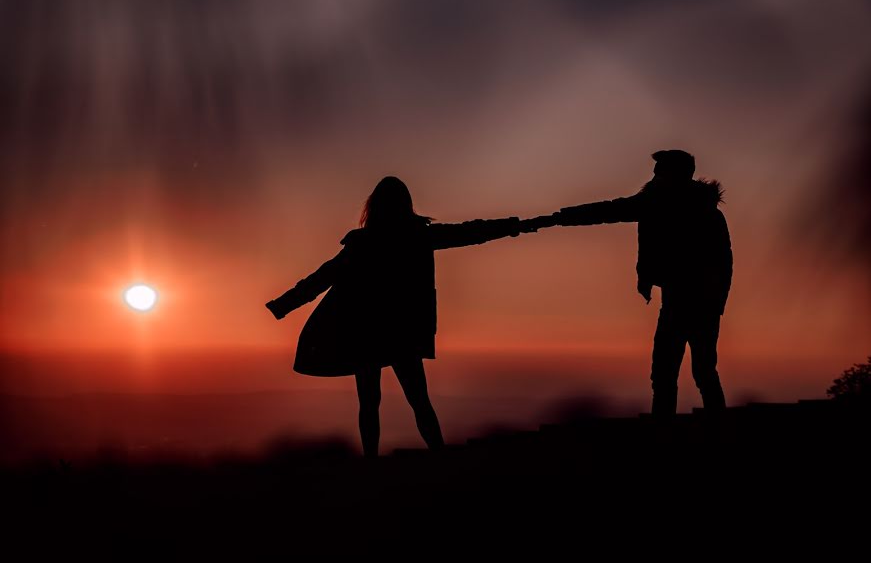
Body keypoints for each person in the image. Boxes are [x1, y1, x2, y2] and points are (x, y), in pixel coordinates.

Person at [265, 176, 522, 457]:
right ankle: (437, 455)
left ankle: (373, 463)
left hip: (367, 331)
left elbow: (322, 277)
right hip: (401, 330)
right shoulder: (416, 236)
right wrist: (513, 226)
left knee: (371, 401)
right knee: (417, 398)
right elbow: (469, 232)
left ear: (373, 207)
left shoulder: (364, 243)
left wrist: (283, 304)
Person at [524, 150, 733, 418]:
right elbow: (609, 210)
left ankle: (712, 431)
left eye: (661, 170)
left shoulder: (700, 213)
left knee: (697, 372)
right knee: (667, 373)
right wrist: (560, 217)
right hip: (679, 301)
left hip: (699, 303)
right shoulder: (658, 202)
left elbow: (723, 263)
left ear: (677, 174)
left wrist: (716, 304)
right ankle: (667, 429)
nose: (655, 174)